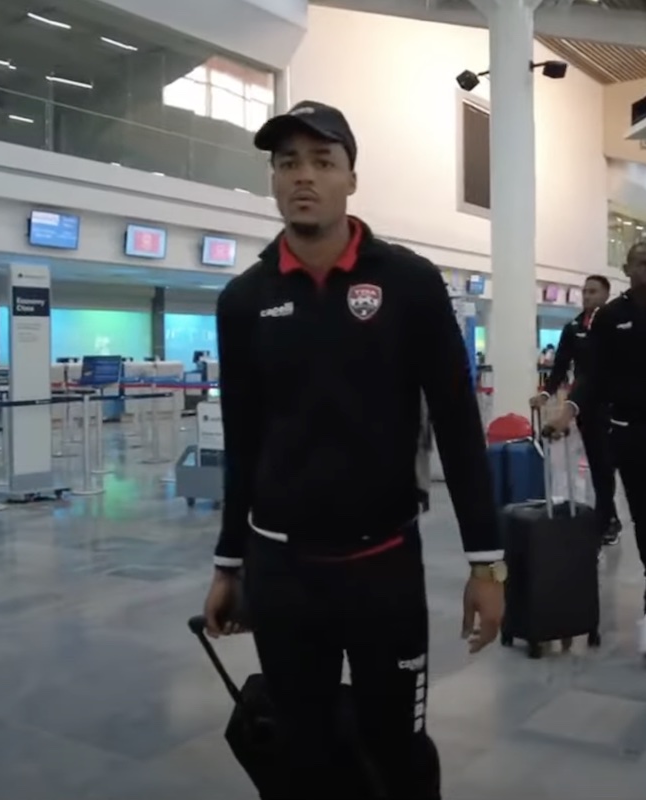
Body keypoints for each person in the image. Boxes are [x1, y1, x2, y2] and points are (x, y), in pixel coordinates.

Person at [201, 100, 505, 799]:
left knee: (397, 750)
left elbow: (459, 427)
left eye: (321, 161)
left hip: (384, 570)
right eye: (286, 163)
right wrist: (228, 564)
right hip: (281, 571)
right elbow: (241, 438)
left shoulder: (409, 284)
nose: (302, 176)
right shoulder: (243, 301)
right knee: (302, 759)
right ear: (273, 180)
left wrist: (488, 566)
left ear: (351, 178)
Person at [545, 240, 646, 664]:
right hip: (625, 432)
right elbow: (592, 376)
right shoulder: (610, 318)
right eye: (642, 264)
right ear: (627, 268)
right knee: (640, 517)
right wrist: (569, 410)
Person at [531, 274, 621, 544]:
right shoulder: (573, 328)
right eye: (585, 291)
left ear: (606, 295)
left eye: (593, 291)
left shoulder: (617, 326)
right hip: (585, 406)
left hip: (614, 406)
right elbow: (560, 366)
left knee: (606, 466)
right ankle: (608, 519)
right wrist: (546, 393)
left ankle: (609, 518)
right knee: (597, 465)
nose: (587, 296)